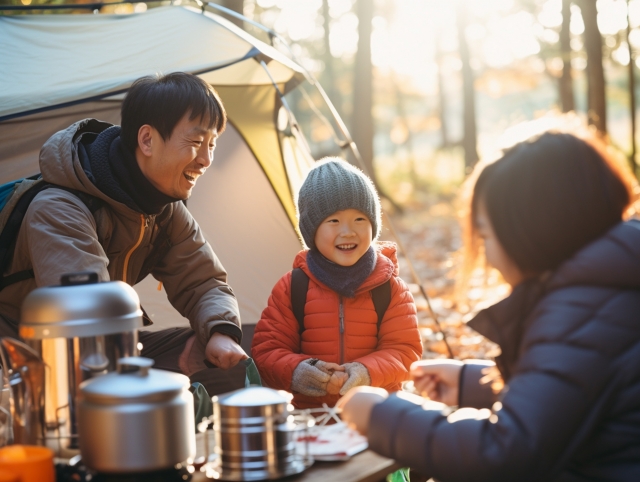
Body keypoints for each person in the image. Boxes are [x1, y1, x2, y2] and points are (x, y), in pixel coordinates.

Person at [338, 126, 640, 480]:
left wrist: (382, 416)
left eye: (486, 235)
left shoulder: (581, 311)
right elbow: (570, 393)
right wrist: (473, 383)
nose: (487, 254)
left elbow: (504, 451)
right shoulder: (611, 288)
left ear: (531, 232)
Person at [0, 72, 248, 382]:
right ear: (147, 140)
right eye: (196, 142)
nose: (205, 159)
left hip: (104, 347)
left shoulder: (163, 208)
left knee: (221, 362)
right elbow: (87, 318)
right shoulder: (60, 208)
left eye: (211, 144)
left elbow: (203, 281)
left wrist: (220, 331)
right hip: (29, 363)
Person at [251, 158, 423, 409]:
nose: (348, 231)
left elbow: (406, 352)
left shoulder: (390, 288)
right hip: (311, 418)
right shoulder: (293, 288)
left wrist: (366, 371)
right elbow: (267, 351)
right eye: (333, 221)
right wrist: (300, 371)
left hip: (375, 417)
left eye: (359, 220)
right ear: (311, 230)